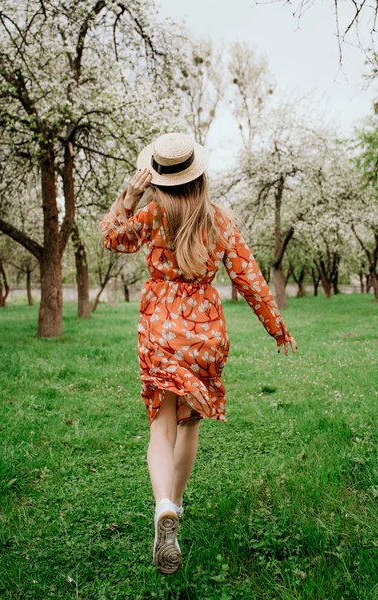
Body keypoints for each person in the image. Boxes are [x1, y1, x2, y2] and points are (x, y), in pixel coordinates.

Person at [99, 132, 297, 575]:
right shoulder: (221, 220)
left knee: (161, 425)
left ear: (159, 181)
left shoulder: (152, 214)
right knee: (189, 424)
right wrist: (277, 328)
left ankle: (163, 502)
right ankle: (176, 506)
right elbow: (249, 279)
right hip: (203, 330)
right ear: (199, 176)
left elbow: (114, 239)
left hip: (159, 325)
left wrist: (127, 199)